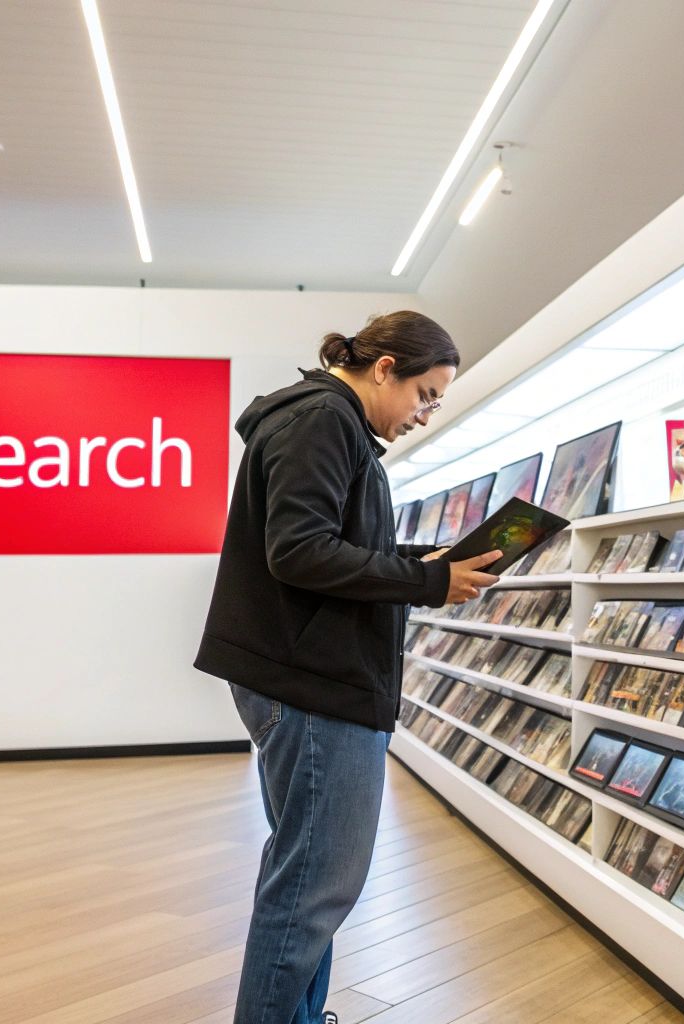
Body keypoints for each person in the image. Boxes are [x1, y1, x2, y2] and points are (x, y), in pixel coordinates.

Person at [195, 311, 502, 1024]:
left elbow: (326, 549)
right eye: (426, 394)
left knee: (310, 877)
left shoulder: (327, 424)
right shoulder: (323, 421)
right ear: (386, 367)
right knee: (312, 885)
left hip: (310, 679)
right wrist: (426, 583)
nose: (425, 415)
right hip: (315, 685)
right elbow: (299, 552)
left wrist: (419, 567)